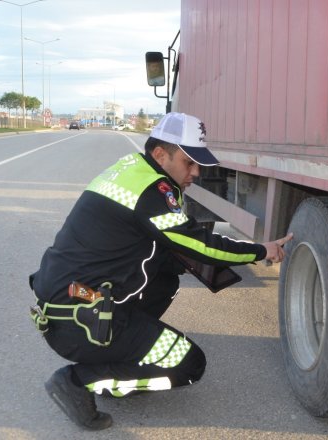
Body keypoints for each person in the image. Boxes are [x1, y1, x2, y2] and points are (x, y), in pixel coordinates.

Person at [28, 112, 293, 431]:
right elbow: (199, 243)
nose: (195, 172)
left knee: (166, 278)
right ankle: (78, 381)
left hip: (72, 306)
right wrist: (261, 250)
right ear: (160, 154)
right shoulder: (152, 191)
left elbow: (160, 247)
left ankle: (115, 365)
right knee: (189, 364)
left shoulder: (134, 171)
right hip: (80, 319)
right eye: (188, 162)